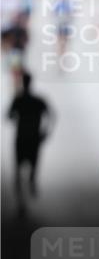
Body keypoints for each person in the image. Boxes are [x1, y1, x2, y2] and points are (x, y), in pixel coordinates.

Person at [8, 70, 53, 211]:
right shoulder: (38, 100)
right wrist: (46, 132)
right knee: (33, 165)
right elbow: (51, 116)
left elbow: (9, 116)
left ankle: (21, 200)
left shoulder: (18, 99)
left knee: (18, 169)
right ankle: (31, 184)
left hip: (21, 138)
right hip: (34, 138)